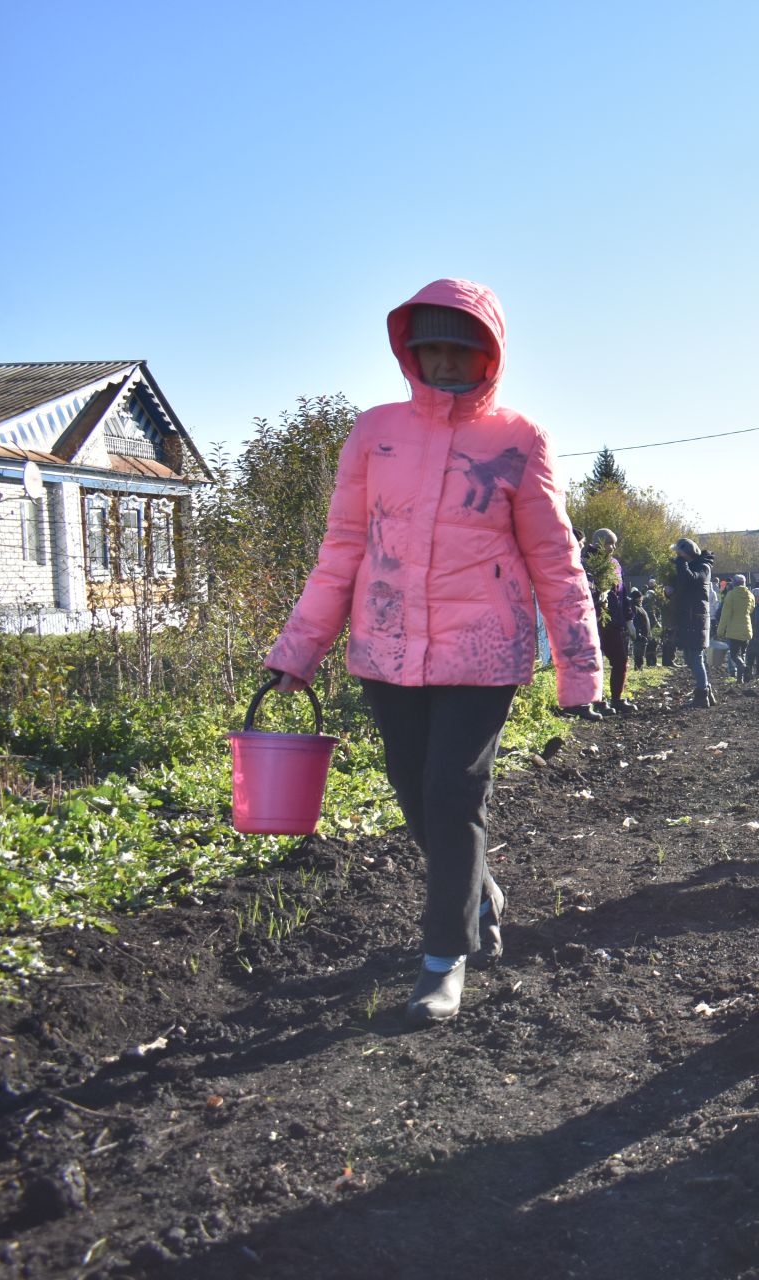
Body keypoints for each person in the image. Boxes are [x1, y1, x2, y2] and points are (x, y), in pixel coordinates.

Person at [265, 279, 601, 1026]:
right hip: (386, 649)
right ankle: (473, 882)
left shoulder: (517, 439)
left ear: (490, 354)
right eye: (433, 348)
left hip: (483, 653)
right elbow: (343, 549)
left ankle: (443, 959)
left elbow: (555, 557)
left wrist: (580, 666)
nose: (446, 362)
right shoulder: (373, 433)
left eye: (463, 348)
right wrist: (300, 647)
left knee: (454, 793)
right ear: (409, 353)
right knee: (414, 793)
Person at [585, 529, 633, 715]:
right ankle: (596, 701)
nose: (612, 547)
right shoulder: (587, 563)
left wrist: (628, 617)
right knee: (595, 662)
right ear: (598, 543)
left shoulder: (615, 564)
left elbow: (622, 593)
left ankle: (616, 698)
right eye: (608, 543)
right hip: (595, 620)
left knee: (620, 660)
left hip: (614, 621)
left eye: (614, 544)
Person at [670, 537, 717, 705]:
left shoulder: (703, 567)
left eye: (679, 553)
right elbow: (684, 587)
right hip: (689, 619)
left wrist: (680, 561)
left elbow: (690, 579)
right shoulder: (692, 565)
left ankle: (702, 695)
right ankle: (706, 691)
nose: (677, 555)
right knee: (690, 658)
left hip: (696, 619)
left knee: (695, 657)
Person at [717, 571, 754, 681]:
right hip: (747, 629)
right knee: (742, 654)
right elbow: (751, 610)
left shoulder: (731, 595)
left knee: (734, 655)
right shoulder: (750, 595)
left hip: (733, 631)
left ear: (734, 583)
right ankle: (740, 679)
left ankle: (742, 668)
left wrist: (720, 631)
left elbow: (725, 615)